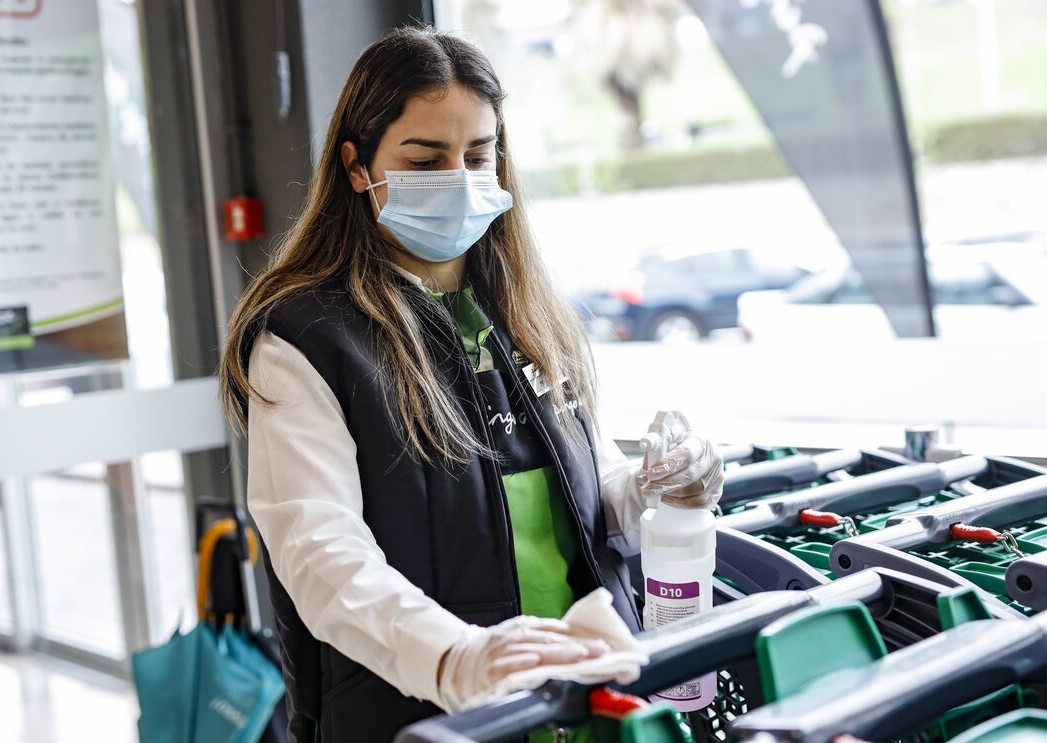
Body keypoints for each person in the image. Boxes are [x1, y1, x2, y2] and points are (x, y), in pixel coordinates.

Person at [218, 26, 724, 743]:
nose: (458, 179)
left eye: (478, 156)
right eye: (425, 160)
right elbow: (318, 551)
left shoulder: (524, 312)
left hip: (584, 703)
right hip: (430, 716)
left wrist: (656, 488)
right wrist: (453, 657)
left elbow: (581, 498)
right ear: (357, 166)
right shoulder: (308, 338)